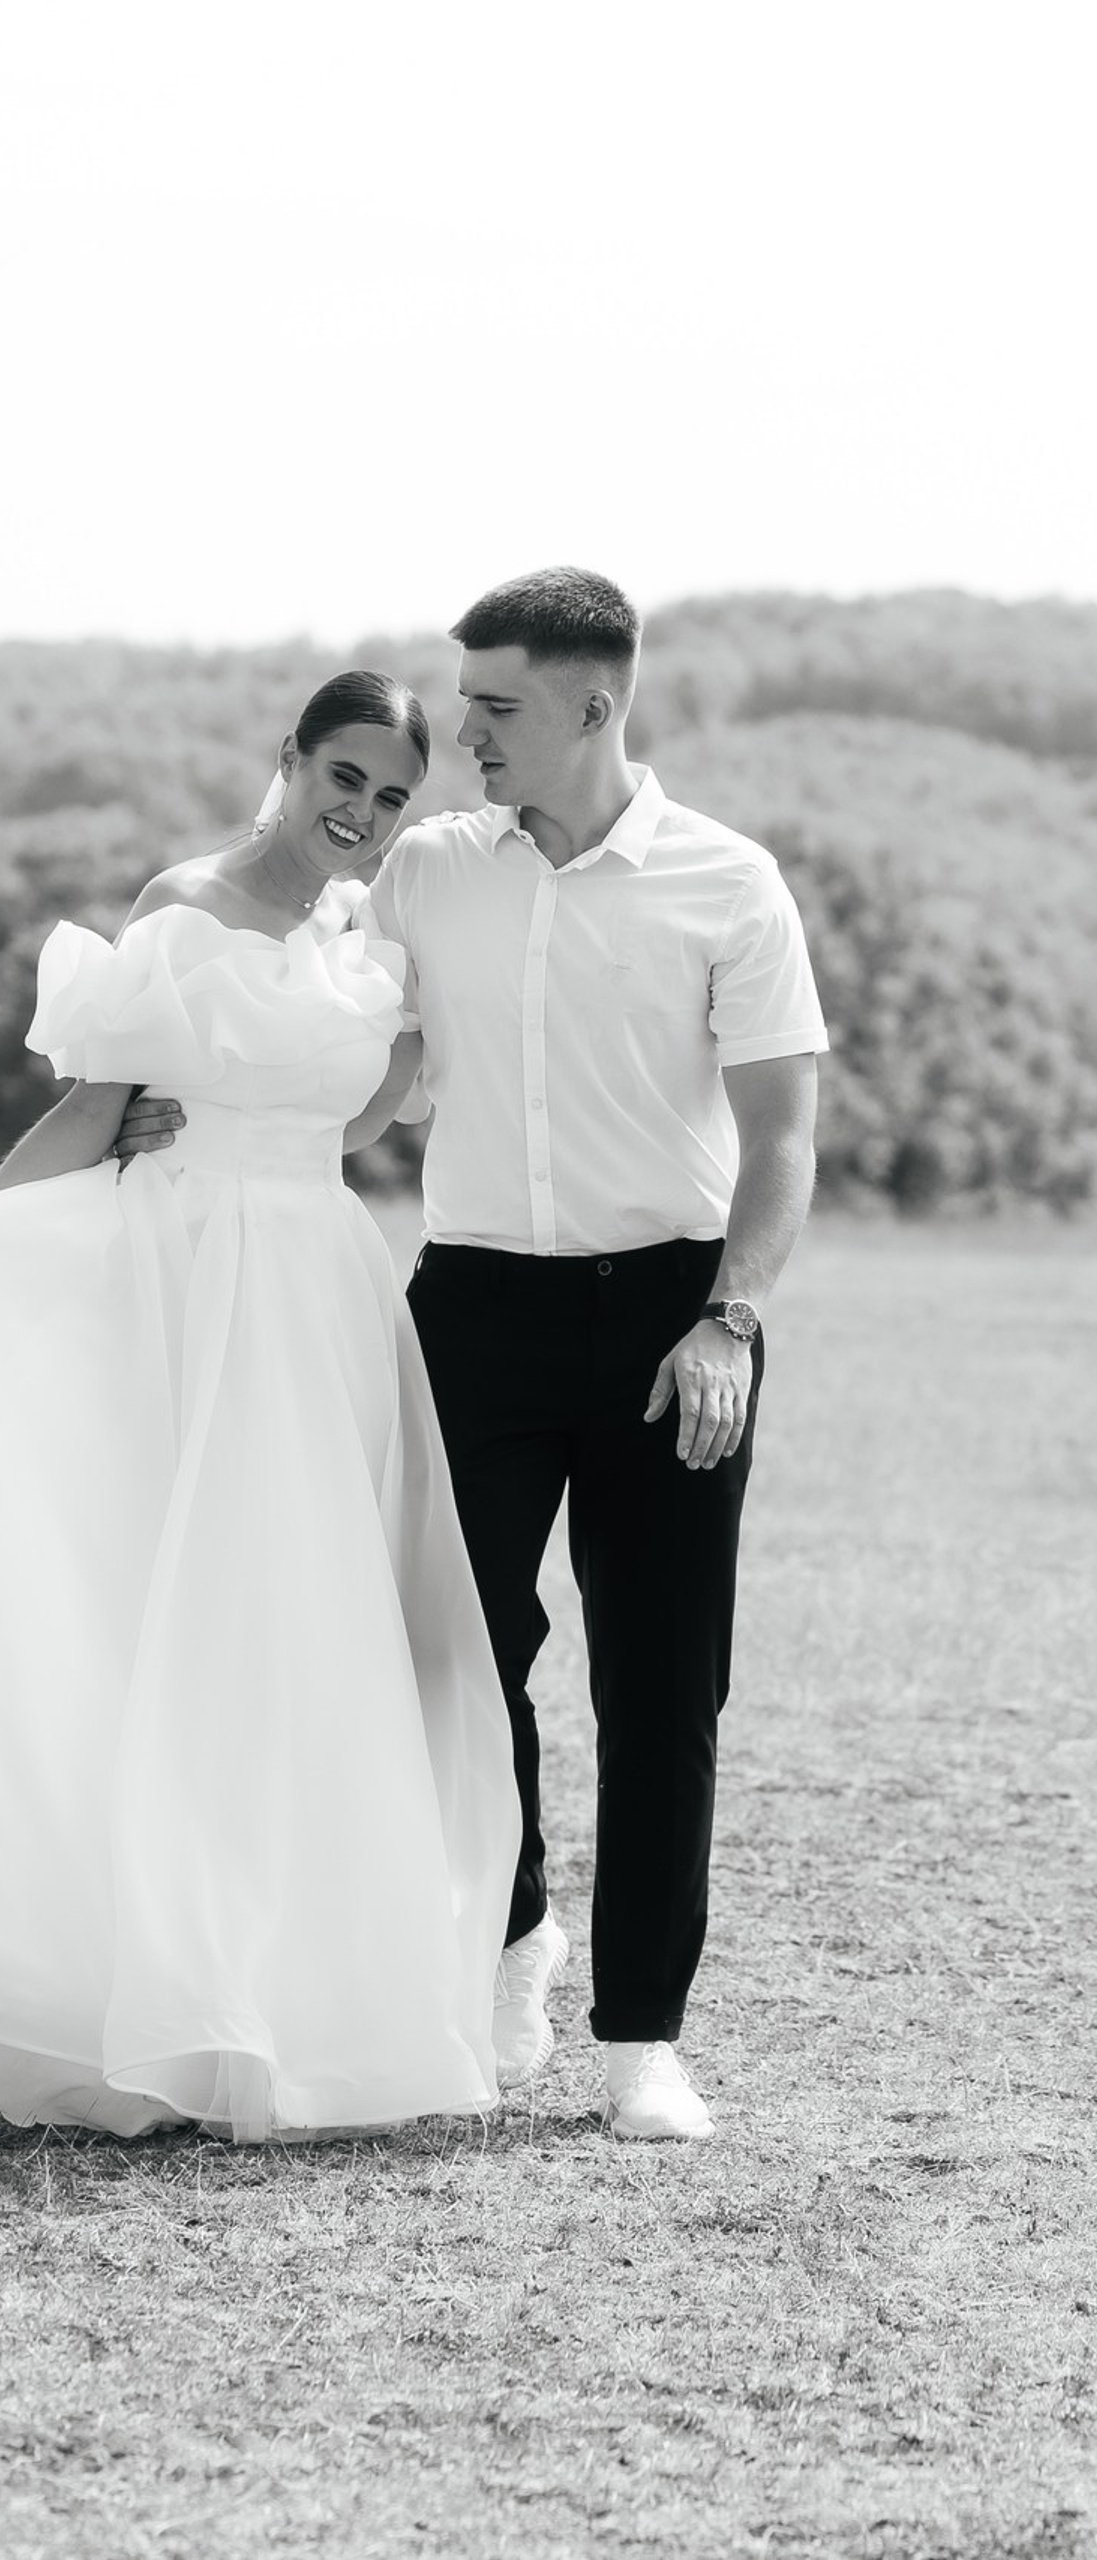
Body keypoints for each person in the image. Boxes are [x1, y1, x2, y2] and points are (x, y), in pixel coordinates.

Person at [132, 569, 828, 2142]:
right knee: (455, 1649)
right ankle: (515, 1932)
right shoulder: (432, 869)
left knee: (665, 1684)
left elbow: (784, 1136)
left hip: (671, 1316)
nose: (466, 738)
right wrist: (203, 1124)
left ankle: (644, 2038)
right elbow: (335, 1030)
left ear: (597, 703)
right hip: (472, 1307)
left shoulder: (731, 884)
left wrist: (732, 1317)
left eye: (497, 708)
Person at [0, 672, 520, 2141]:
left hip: (324, 1289)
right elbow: (97, 1106)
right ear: (287, 762)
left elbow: (336, 1120)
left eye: (388, 797)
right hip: (198, 1284)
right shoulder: (190, 904)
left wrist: (384, 1083)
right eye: (339, 777)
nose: (357, 814)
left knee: (312, 1621)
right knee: (193, 1614)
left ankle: (286, 1982)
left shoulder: (359, 936)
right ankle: (165, 1987)